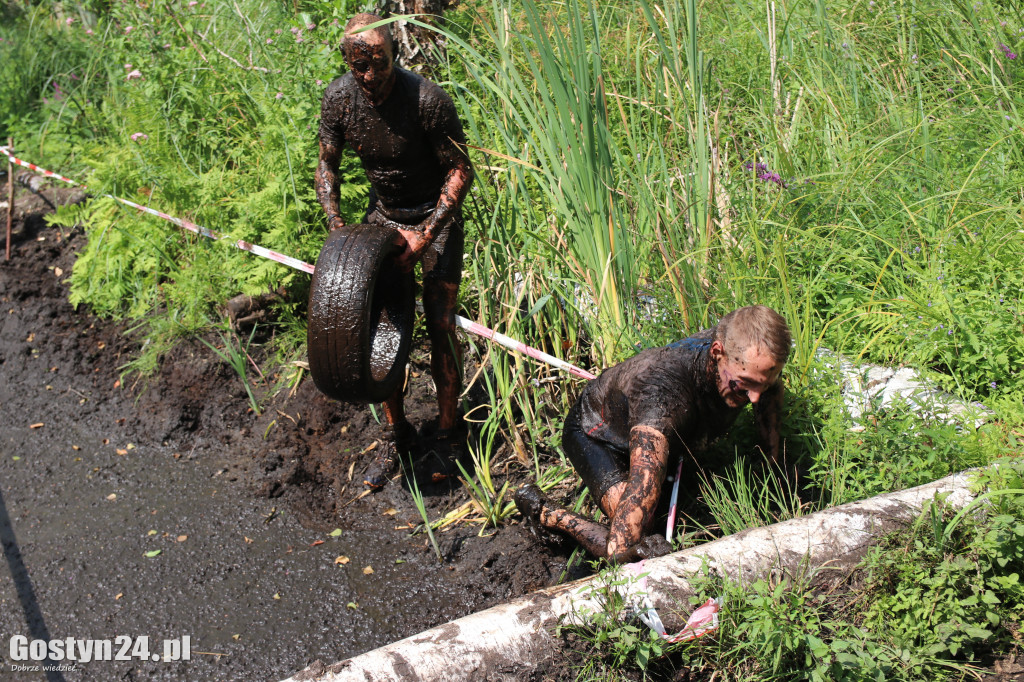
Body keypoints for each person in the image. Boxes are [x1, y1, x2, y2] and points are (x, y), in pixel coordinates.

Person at [315, 13, 474, 489]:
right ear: (347, 60)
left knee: (441, 323)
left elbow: (461, 173)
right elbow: (326, 165)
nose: (368, 76)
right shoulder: (339, 99)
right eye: (358, 66)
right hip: (383, 217)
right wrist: (338, 229)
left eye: (377, 65)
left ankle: (449, 432)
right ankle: (395, 434)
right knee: (378, 321)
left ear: (393, 56)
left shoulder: (426, 100)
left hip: (434, 217)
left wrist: (424, 235)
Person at [514, 305, 791, 562]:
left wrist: (776, 483)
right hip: (598, 437)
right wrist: (633, 549)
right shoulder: (663, 395)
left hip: (668, 435)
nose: (755, 398)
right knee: (641, 539)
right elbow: (621, 546)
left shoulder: (741, 353)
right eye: (745, 385)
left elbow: (771, 447)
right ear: (717, 352)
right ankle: (547, 512)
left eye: (764, 385)